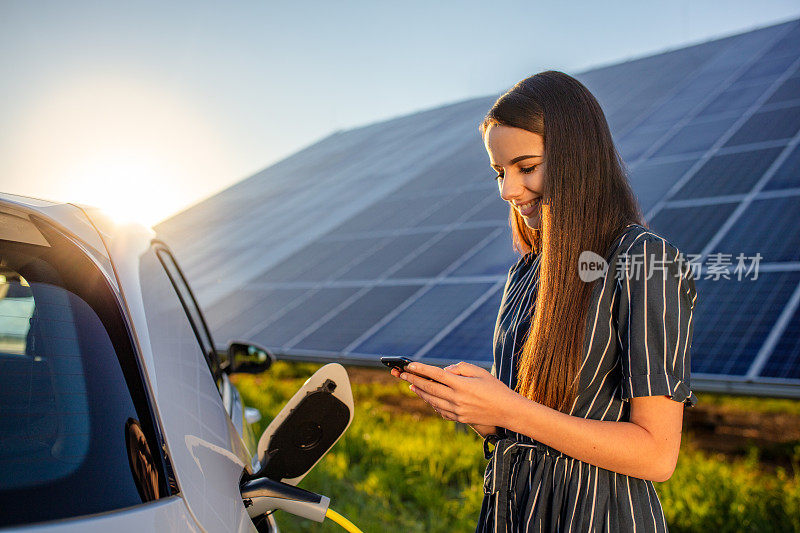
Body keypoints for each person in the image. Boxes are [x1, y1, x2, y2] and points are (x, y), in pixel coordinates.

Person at [389, 70, 698, 532]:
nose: (508, 191)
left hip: (596, 516)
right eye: (499, 172)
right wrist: (480, 410)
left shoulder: (642, 259)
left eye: (526, 167)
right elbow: (532, 417)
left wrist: (509, 409)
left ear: (577, 158)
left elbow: (656, 454)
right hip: (514, 511)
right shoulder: (527, 270)